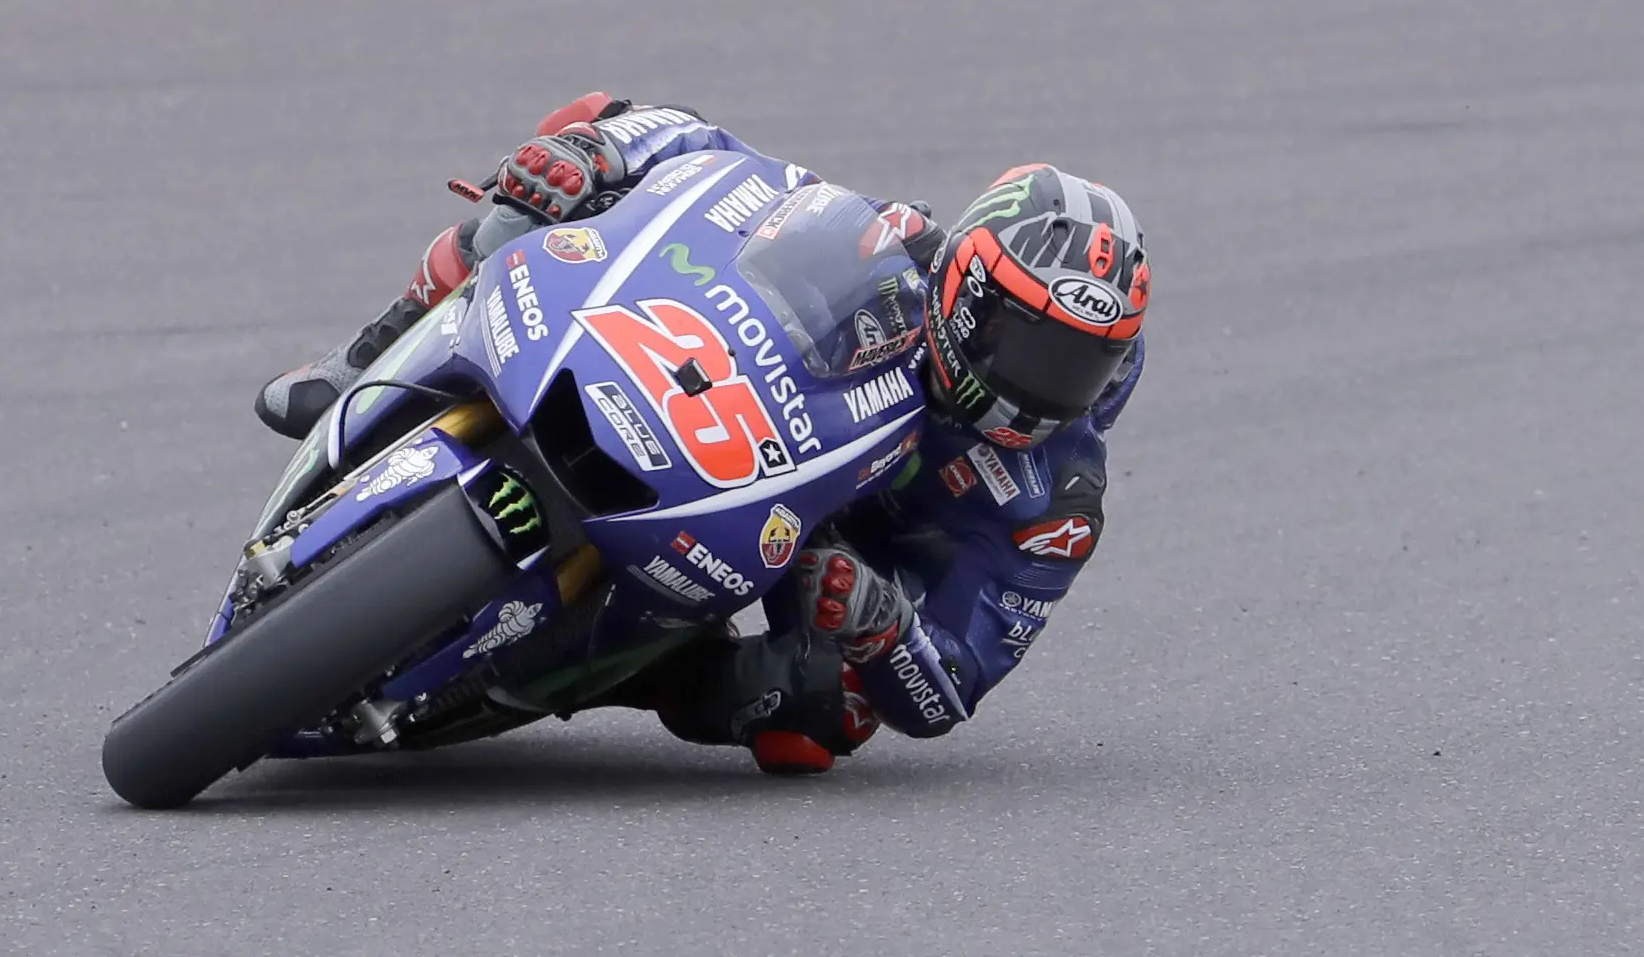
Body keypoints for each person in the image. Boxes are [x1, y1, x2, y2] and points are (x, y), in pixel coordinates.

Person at [256, 93, 1150, 774]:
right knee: (561, 161)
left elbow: (952, 683)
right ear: (967, 283)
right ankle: (361, 360)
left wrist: (885, 630)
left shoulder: (1053, 500)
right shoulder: (892, 248)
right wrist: (592, 151)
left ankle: (605, 672)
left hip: (816, 558)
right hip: (726, 416)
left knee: (815, 724)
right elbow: (716, 162)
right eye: (1024, 343)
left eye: (1073, 363)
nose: (1033, 385)